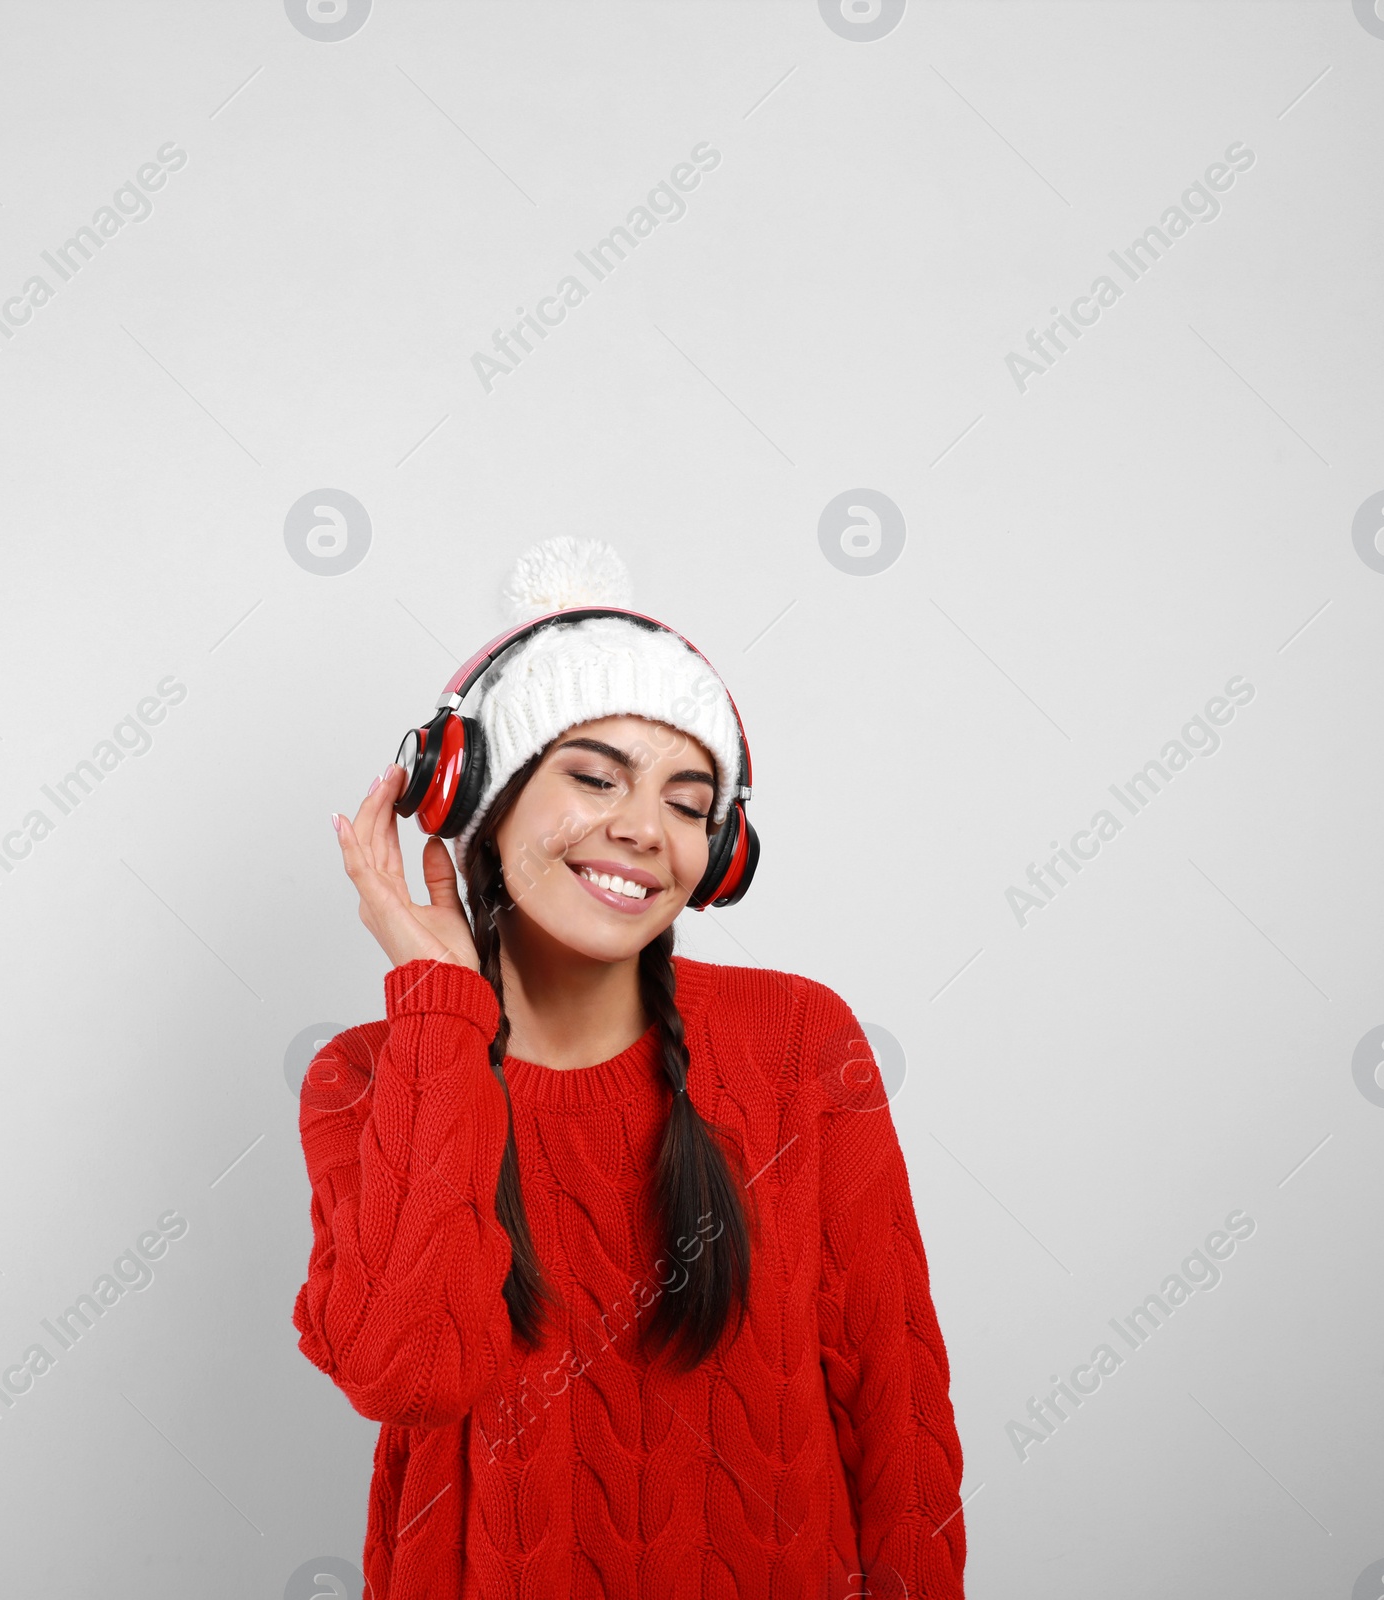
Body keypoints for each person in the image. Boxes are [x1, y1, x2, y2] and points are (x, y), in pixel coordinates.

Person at [293, 537, 967, 1598]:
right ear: (478, 796)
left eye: (691, 803)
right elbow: (408, 1368)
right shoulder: (369, 1075)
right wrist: (439, 1010)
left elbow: (900, 1420)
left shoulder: (798, 1043)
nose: (643, 827)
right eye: (594, 776)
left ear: (719, 854)